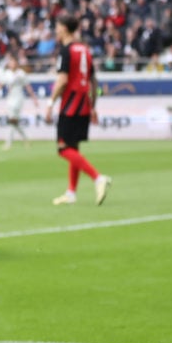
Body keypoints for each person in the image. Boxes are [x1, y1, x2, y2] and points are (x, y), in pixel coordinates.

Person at [44, 14, 112, 206]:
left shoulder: (66, 51)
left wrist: (50, 103)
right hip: (84, 104)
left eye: (57, 27)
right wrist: (94, 106)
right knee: (73, 147)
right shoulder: (85, 50)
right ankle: (71, 193)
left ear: (65, 28)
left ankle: (98, 178)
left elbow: (63, 80)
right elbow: (93, 81)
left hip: (70, 104)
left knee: (63, 148)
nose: (56, 31)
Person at [0, 53, 39, 150]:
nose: (12, 64)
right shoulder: (7, 73)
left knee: (12, 119)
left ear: (17, 63)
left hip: (19, 98)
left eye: (13, 62)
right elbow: (2, 84)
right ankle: (26, 139)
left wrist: (34, 99)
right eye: (10, 63)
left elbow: (28, 87)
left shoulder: (21, 74)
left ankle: (8, 143)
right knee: (14, 121)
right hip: (10, 98)